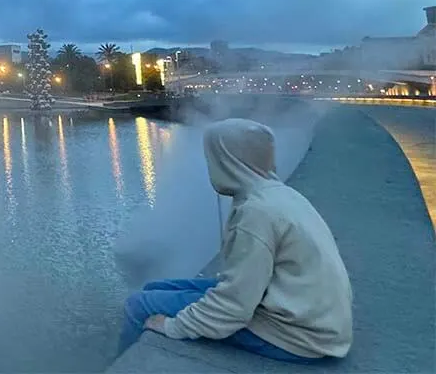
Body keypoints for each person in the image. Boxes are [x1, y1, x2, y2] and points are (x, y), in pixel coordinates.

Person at [119, 118, 353, 362]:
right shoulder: (279, 195)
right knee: (157, 288)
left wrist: (171, 327)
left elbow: (234, 307)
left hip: (295, 335)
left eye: (212, 159)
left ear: (228, 163)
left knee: (138, 305)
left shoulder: (256, 214)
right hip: (308, 316)